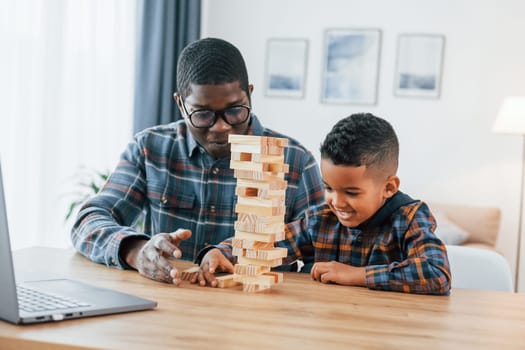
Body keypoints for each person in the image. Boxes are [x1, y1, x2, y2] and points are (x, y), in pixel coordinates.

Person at [71, 37, 324, 286]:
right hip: (171, 308)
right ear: (180, 104)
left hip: (259, 314)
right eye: (203, 115)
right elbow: (88, 221)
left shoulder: (296, 162)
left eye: (235, 111)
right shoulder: (150, 148)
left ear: (250, 95)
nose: (222, 127)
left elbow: (323, 254)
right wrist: (135, 251)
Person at [201, 113, 451, 295]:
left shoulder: (409, 218)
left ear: (388, 187)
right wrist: (221, 252)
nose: (337, 201)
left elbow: (436, 274)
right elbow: (265, 242)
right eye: (329, 188)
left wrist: (357, 275)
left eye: (351, 192)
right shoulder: (321, 219)